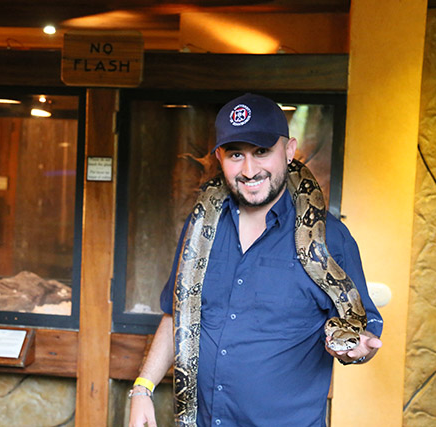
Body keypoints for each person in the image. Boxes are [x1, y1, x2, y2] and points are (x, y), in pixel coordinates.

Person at [128, 93, 383, 427]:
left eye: (262, 151)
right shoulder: (201, 226)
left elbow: (363, 330)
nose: (249, 170)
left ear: (289, 151)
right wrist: (143, 388)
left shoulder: (331, 239)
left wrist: (359, 351)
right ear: (219, 158)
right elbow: (178, 312)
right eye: (236, 154)